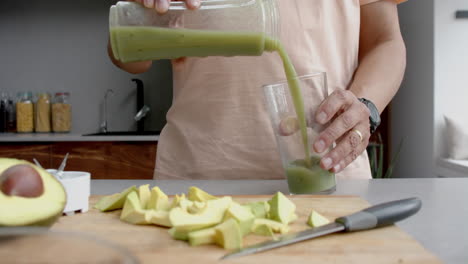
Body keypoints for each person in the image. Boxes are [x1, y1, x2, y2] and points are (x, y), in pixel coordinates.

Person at [109, 0, 407, 180]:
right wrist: (143, 8)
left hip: (331, 174)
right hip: (200, 181)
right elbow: (127, 55)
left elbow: (386, 41)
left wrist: (366, 105)